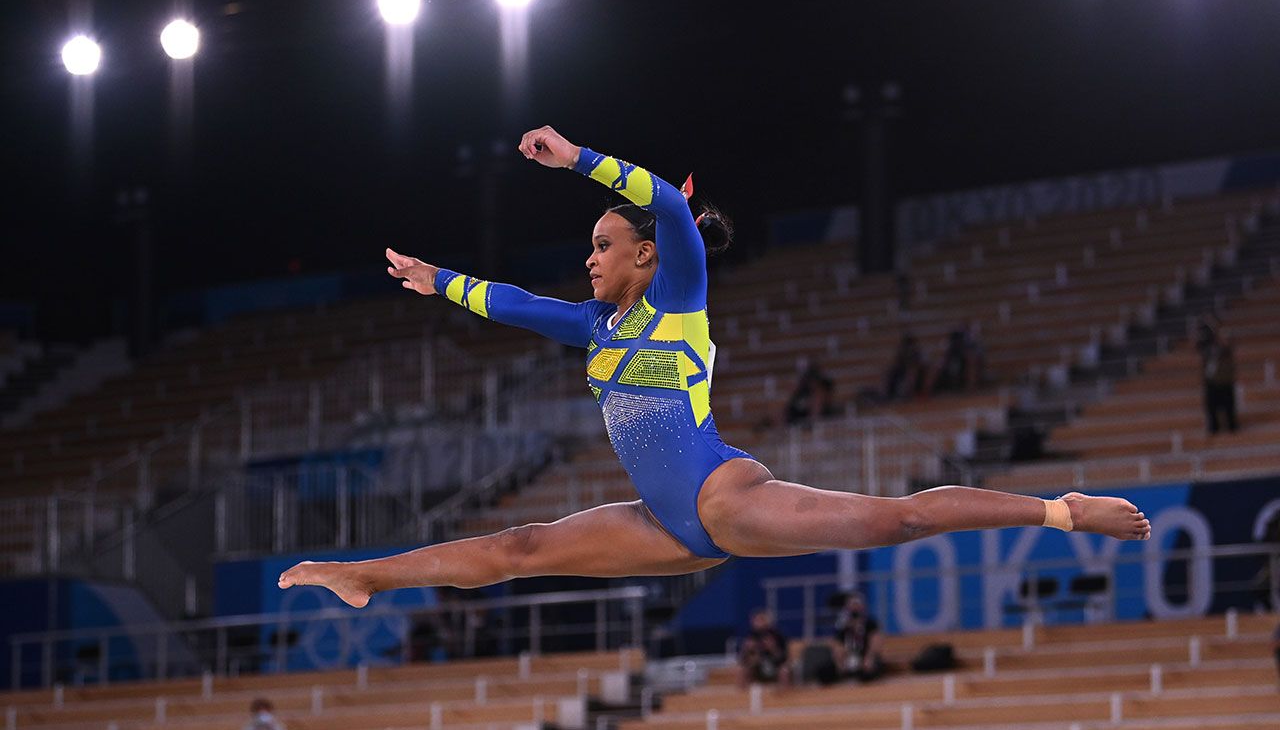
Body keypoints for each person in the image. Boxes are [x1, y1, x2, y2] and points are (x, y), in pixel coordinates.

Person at [278, 126, 1151, 608]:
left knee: (902, 521)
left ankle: (1063, 508)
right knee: (519, 546)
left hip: (721, 497)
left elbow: (660, 201)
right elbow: (512, 302)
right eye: (590, 246)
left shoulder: (679, 298)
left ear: (649, 258)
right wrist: (441, 283)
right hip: (661, 524)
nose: (589, 260)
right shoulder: (595, 325)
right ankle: (364, 574)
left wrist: (579, 159)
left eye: (603, 245)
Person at [1196, 317, 1239, 434]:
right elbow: (1199, 346)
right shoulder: (1208, 347)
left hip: (1225, 383)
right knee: (1212, 414)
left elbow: (1227, 348)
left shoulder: (1225, 349)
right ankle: (1214, 434)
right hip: (1212, 384)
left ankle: (1232, 432)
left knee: (1229, 412)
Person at [832, 592, 884, 682]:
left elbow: (876, 641)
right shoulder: (843, 624)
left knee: (867, 674)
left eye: (856, 604)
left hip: (866, 655)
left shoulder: (870, 623)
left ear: (862, 606)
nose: (854, 607)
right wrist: (840, 661)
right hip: (849, 655)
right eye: (852, 605)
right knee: (827, 673)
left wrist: (869, 657)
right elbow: (837, 644)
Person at [738, 609, 791, 688]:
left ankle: (785, 697)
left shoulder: (778, 636)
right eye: (756, 620)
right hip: (758, 667)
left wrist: (773, 649)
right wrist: (748, 650)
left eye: (761, 620)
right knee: (742, 670)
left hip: (775, 665)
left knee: (784, 671)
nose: (759, 623)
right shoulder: (751, 637)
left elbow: (784, 658)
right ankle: (742, 697)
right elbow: (743, 660)